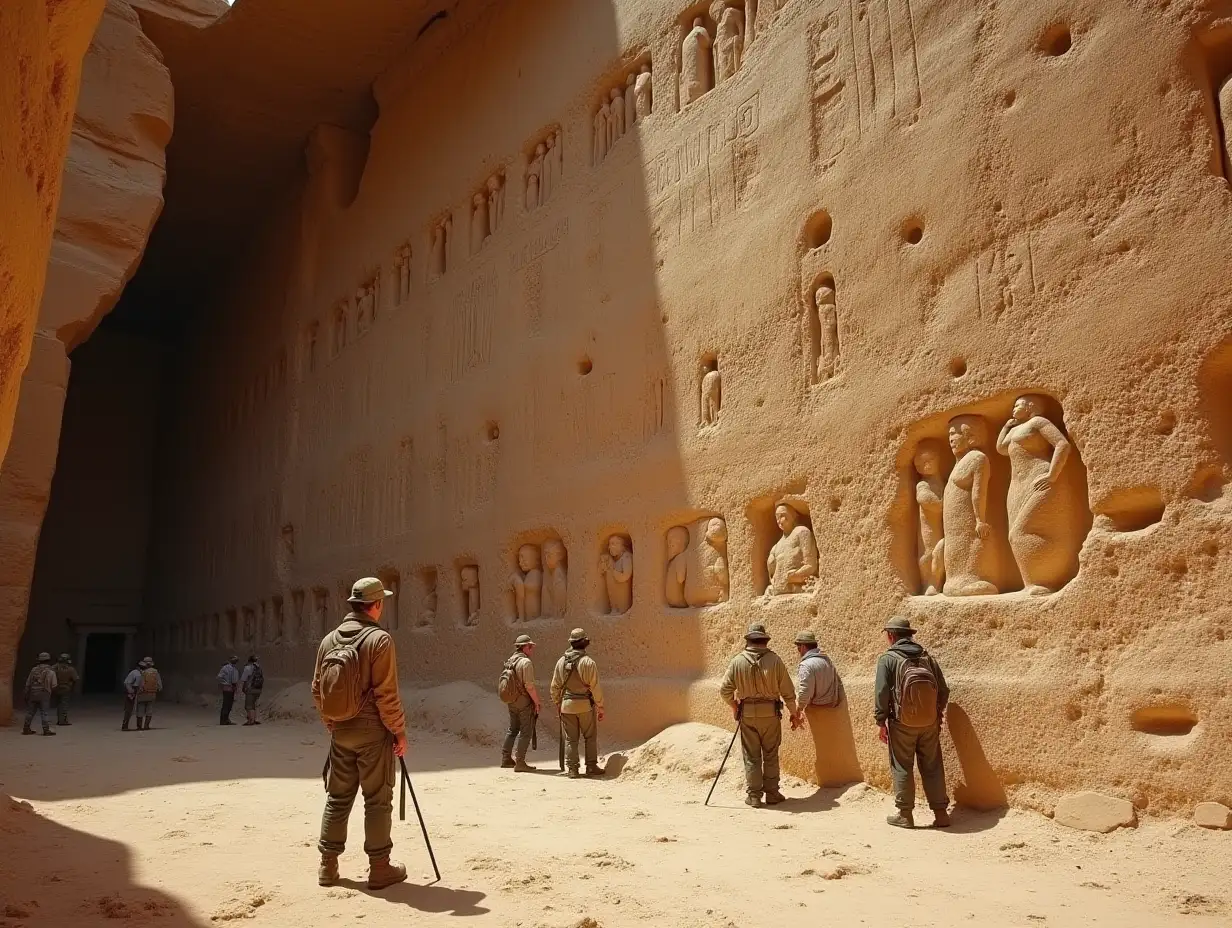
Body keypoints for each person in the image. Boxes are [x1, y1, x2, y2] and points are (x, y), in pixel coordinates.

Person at [312, 576, 408, 891]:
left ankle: (328, 866)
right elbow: (387, 695)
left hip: (340, 732)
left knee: (337, 798)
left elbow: (317, 690)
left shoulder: (329, 640)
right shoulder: (379, 640)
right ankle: (379, 868)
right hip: (372, 732)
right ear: (376, 605)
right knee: (377, 799)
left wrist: (333, 724)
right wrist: (399, 732)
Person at [874, 617, 951, 828]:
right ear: (909, 635)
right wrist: (937, 713)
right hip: (929, 724)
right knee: (933, 766)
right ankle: (941, 814)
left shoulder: (888, 659)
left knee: (902, 765)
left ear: (891, 635)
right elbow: (943, 690)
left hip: (901, 723)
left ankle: (905, 815)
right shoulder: (928, 658)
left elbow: (881, 693)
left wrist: (881, 722)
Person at [719, 623, 798, 807]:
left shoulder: (737, 661)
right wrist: (794, 714)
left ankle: (754, 796)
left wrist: (734, 706)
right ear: (764, 640)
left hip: (747, 716)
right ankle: (772, 793)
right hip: (770, 715)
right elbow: (788, 692)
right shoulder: (775, 660)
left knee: (751, 755)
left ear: (748, 641)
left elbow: (725, 691)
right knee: (770, 754)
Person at [550, 628, 605, 779]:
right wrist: (600, 706)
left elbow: (554, 686)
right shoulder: (588, 662)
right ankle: (591, 766)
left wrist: (557, 703)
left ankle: (572, 769)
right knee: (589, 736)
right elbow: (595, 687)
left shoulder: (561, 662)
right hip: (585, 706)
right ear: (584, 643)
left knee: (571, 739)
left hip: (566, 705)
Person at [500, 634, 541, 772]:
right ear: (525, 647)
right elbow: (529, 686)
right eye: (530, 647)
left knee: (513, 729)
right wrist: (537, 702)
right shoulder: (525, 663)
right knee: (526, 731)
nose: (532, 649)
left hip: (511, 700)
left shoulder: (510, 660)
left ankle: (506, 758)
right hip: (523, 700)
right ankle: (520, 762)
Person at [790, 630, 840, 731]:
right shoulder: (826, 661)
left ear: (803, 647)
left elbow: (804, 692)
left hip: (817, 712)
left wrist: (799, 709)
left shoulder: (806, 665)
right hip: (831, 710)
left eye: (798, 648)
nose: (798, 651)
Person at [22, 652, 58, 736]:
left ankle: (26, 728)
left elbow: (28, 683)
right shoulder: (51, 671)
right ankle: (46, 730)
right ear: (48, 660)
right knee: (44, 712)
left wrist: (26, 693)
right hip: (44, 693)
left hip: (33, 693)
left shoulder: (34, 670)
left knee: (30, 712)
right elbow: (54, 685)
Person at [134, 657, 162, 731]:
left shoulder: (143, 672)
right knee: (149, 710)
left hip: (143, 694)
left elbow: (140, 684)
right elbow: (159, 685)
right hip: (152, 693)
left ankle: (139, 727)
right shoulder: (156, 672)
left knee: (140, 710)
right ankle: (146, 726)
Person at [52, 652, 79, 726]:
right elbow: (75, 679)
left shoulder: (55, 668)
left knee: (59, 704)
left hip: (56, 688)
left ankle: (60, 719)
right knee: (64, 705)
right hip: (66, 688)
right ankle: (62, 720)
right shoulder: (70, 669)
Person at [240, 655, 264, 725]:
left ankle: (250, 720)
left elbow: (244, 679)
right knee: (253, 705)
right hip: (258, 689)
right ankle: (253, 719)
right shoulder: (259, 668)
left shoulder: (248, 668)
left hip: (251, 688)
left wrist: (243, 688)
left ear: (249, 660)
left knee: (248, 705)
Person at [122, 658, 145, 731]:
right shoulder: (135, 673)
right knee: (128, 709)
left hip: (135, 691)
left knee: (133, 709)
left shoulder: (140, 673)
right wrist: (131, 692)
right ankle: (125, 726)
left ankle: (136, 725)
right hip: (131, 691)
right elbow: (127, 683)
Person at [217, 655, 240, 725]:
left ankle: (226, 719)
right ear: (230, 659)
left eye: (236, 659)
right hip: (227, 689)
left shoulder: (234, 668)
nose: (236, 660)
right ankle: (223, 720)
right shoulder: (225, 668)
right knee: (226, 704)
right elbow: (219, 677)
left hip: (232, 689)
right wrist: (226, 683)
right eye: (234, 658)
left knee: (229, 705)